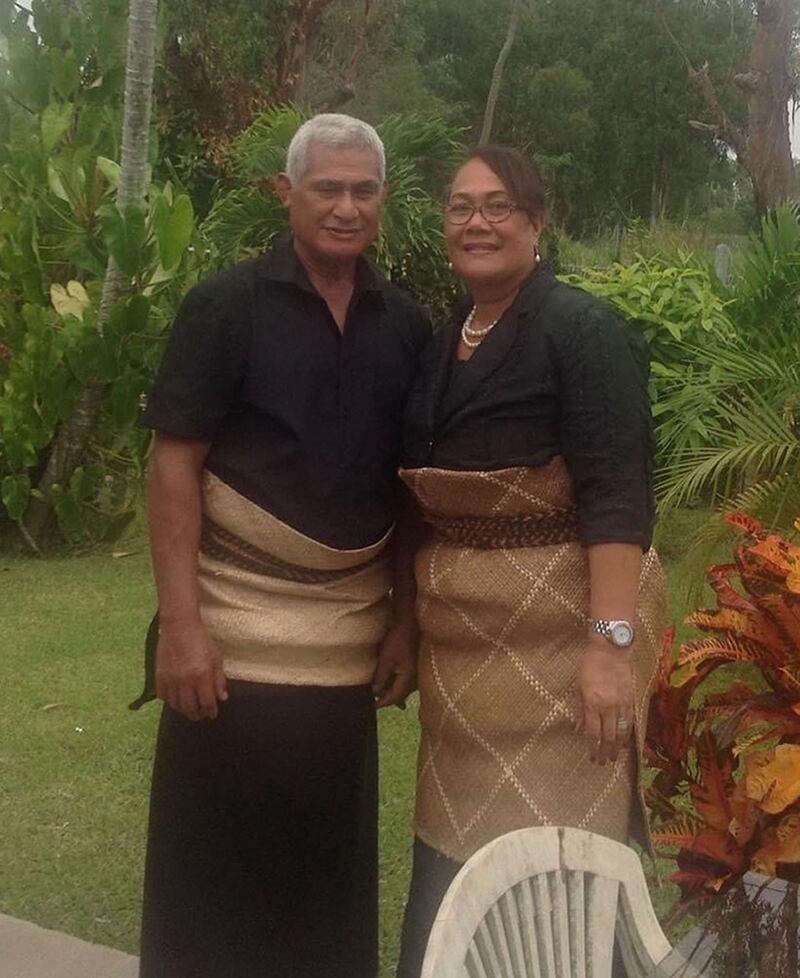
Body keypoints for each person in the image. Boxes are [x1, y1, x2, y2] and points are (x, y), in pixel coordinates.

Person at [136, 113, 429, 978]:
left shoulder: (406, 326)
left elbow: (411, 492)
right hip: (227, 650)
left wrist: (405, 624)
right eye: (327, 187)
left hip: (342, 659)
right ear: (285, 193)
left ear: (382, 199)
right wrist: (183, 627)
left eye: (363, 189)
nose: (345, 206)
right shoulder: (225, 306)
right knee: (210, 890)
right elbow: (173, 464)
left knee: (327, 892)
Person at [395, 145, 666, 976]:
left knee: (559, 881)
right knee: (455, 857)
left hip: (561, 664)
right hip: (465, 680)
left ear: (537, 223)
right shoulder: (446, 341)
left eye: (498, 205)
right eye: (460, 206)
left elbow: (618, 491)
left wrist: (610, 648)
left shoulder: (579, 329)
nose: (476, 221)